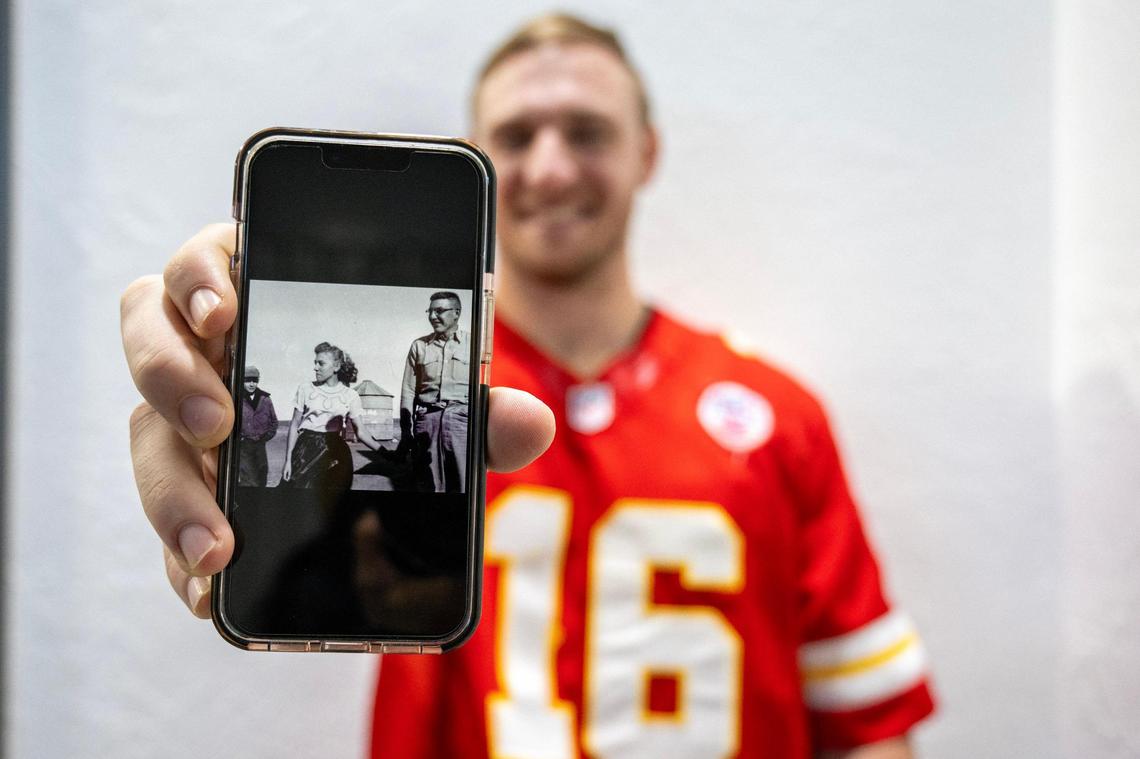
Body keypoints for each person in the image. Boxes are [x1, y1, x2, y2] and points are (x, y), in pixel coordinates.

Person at [120, 12, 934, 758]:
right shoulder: (416, 409)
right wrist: (237, 418)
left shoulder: (777, 416)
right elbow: (311, 574)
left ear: (646, 152)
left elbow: (866, 725)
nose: (550, 167)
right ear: (475, 158)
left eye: (587, 132)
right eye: (515, 136)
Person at [282, 341, 383, 491]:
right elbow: (295, 424)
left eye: (321, 363)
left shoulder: (350, 395)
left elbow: (360, 431)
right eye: (315, 363)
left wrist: (384, 452)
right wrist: (288, 460)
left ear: (336, 367)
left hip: (335, 452)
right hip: (305, 451)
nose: (315, 367)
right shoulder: (305, 389)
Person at [401, 291, 470, 492]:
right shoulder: (419, 346)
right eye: (430, 311)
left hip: (462, 422)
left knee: (464, 483)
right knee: (428, 484)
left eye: (439, 311)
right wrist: (406, 431)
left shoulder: (473, 344)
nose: (433, 317)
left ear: (456, 313)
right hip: (427, 422)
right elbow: (408, 390)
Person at [237, 365, 278, 486]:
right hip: (244, 446)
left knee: (261, 476)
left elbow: (274, 422)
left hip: (260, 445)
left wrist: (265, 437)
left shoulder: (265, 399)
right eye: (248, 380)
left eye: (254, 381)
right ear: (242, 381)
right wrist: (240, 438)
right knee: (247, 480)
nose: (251, 384)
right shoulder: (236, 398)